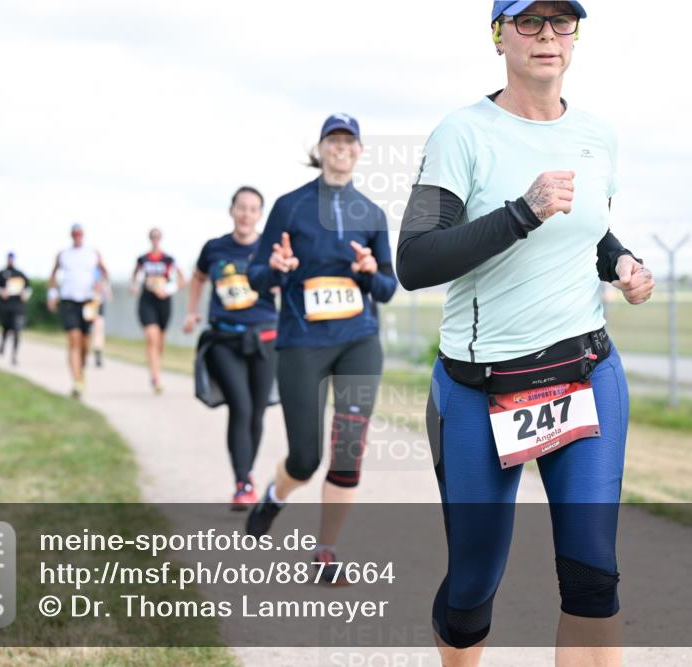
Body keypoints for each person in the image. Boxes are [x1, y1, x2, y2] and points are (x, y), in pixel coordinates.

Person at [395, 3, 655, 665]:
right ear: (498, 35)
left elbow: (589, 230)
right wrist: (522, 211)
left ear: (576, 36)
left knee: (592, 575)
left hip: (584, 373)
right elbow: (415, 261)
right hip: (482, 389)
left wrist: (621, 262)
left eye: (561, 22)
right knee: (473, 585)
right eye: (528, 21)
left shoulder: (598, 135)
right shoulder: (462, 134)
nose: (546, 35)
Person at [244, 114, 398, 580]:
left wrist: (370, 272)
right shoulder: (289, 207)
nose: (341, 147)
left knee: (349, 446)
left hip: (358, 341)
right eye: (334, 139)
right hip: (301, 342)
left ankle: (326, 550)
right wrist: (276, 268)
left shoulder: (371, 214)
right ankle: (275, 496)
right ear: (321, 148)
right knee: (305, 460)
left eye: (350, 141)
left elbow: (387, 287)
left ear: (360, 151)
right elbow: (256, 276)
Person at [185, 186, 279, 509]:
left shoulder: (269, 249)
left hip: (265, 338)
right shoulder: (214, 248)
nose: (246, 214)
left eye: (253, 209)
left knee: (256, 411)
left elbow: (285, 283)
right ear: (231, 210)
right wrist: (191, 311)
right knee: (240, 405)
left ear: (260, 215)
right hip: (224, 339)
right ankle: (243, 483)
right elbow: (198, 277)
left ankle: (246, 474)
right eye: (241, 207)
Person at [47, 223, 109, 398]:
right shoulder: (63, 254)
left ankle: (81, 371)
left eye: (80, 234)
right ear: (71, 235)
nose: (77, 237)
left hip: (88, 301)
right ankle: (77, 381)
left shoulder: (93, 253)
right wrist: (52, 295)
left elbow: (104, 273)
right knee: (73, 339)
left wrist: (101, 285)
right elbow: (53, 276)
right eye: (75, 234)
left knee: (85, 342)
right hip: (69, 301)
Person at [131, 228, 184, 393]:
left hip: (164, 301)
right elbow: (135, 277)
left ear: (161, 238)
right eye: (153, 237)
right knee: (151, 337)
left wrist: (168, 290)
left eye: (157, 237)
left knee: (160, 341)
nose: (155, 239)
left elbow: (182, 279)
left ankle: (156, 370)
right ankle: (155, 378)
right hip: (147, 300)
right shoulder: (143, 259)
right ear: (149, 239)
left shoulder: (168, 259)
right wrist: (135, 286)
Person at [0, 252, 32, 366]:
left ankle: (14, 356)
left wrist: (26, 294)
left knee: (17, 330)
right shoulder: (1, 274)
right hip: (5, 306)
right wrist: (0, 292)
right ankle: (3, 344)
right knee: (5, 328)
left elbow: (28, 288)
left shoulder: (20, 274)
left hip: (18, 307)